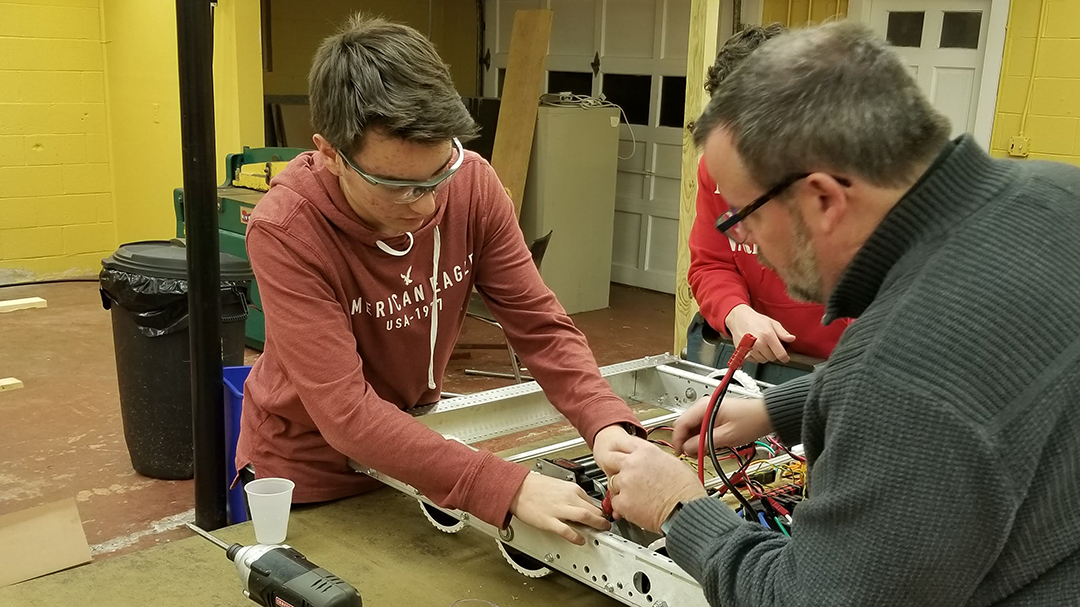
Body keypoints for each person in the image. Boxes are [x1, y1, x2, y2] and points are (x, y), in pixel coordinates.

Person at [606, 21, 1080, 606]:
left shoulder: (904, 367)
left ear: (825, 198)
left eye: (744, 217)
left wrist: (678, 509)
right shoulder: (1059, 193)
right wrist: (779, 407)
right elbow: (988, 379)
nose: (745, 239)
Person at [235, 14, 644, 546]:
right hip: (311, 475)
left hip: (415, 449)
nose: (428, 205)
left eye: (438, 173)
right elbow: (346, 413)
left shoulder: (472, 183)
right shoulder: (286, 230)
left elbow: (539, 324)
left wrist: (606, 421)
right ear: (331, 153)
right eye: (398, 186)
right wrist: (506, 486)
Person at [688, 23, 850, 365]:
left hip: (846, 363)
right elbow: (712, 263)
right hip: (765, 362)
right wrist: (735, 313)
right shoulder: (716, 169)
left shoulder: (858, 177)